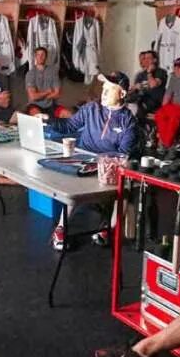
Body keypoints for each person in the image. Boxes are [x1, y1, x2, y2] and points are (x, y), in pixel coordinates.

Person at [46, 72, 137, 250]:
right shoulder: (91, 108)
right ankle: (61, 228)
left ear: (122, 94)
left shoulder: (129, 122)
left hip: (109, 166)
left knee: (126, 186)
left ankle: (109, 229)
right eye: (103, 87)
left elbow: (123, 154)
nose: (103, 92)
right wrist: (47, 120)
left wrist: (105, 163)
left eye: (110, 88)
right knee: (73, 182)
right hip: (82, 159)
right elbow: (69, 126)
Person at [24, 46, 71, 118]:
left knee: (68, 114)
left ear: (46, 57)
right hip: (35, 106)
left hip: (51, 105)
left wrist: (40, 95)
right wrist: (48, 92)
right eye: (38, 55)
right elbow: (33, 97)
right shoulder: (30, 73)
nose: (40, 57)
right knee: (38, 116)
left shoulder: (53, 71)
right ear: (35, 57)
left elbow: (57, 94)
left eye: (42, 54)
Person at [125, 50, 167, 118]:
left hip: (154, 101)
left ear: (155, 60)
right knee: (128, 101)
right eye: (145, 58)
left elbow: (153, 84)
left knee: (137, 107)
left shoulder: (161, 72)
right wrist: (135, 87)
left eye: (148, 58)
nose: (146, 60)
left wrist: (149, 72)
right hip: (141, 99)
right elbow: (134, 89)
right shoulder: (140, 74)